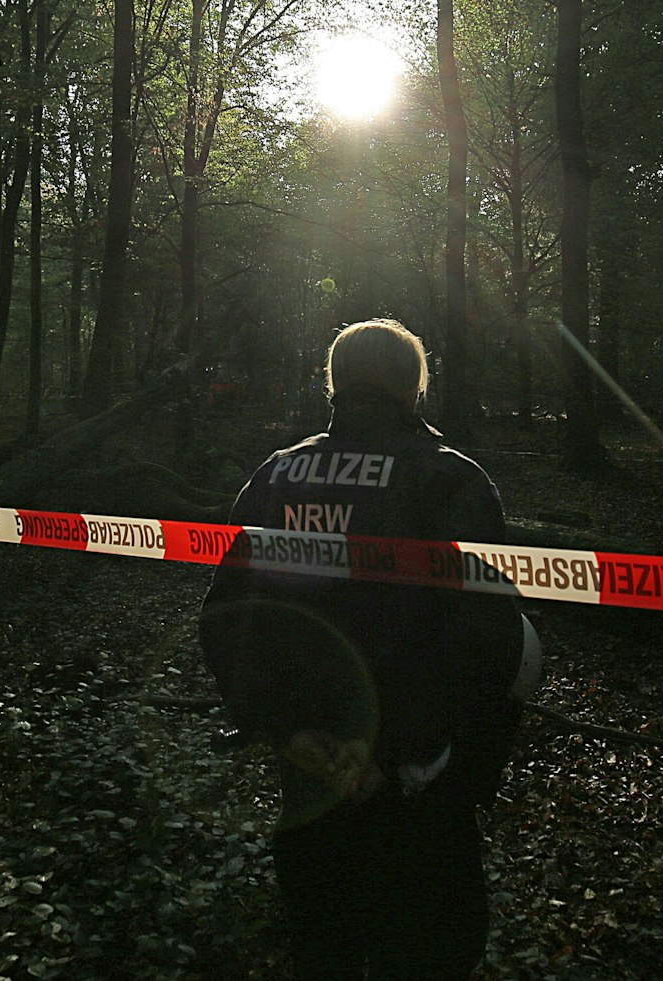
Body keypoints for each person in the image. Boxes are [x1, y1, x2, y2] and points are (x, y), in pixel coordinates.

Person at [200, 318, 530, 980]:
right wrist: (403, 755)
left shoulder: (276, 477)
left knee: (326, 945)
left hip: (314, 777)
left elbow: (229, 620)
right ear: (413, 389)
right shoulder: (447, 479)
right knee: (428, 951)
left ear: (335, 383)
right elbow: (487, 637)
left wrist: (293, 731)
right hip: (415, 788)